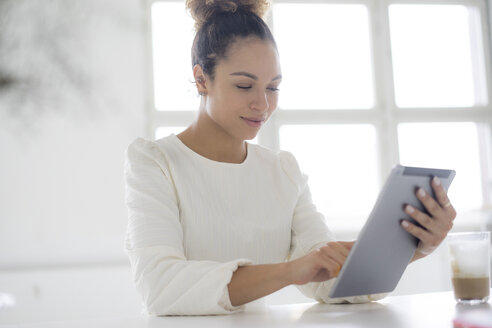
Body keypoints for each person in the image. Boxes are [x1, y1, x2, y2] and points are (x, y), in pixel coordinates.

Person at [124, 0, 457, 316]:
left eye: (273, 88)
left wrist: (415, 247)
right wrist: (291, 271)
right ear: (201, 79)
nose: (263, 105)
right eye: (244, 86)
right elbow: (160, 287)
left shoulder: (283, 172)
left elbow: (329, 280)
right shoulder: (156, 162)